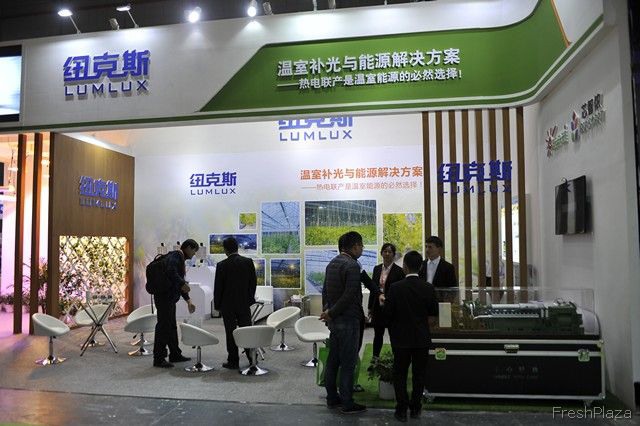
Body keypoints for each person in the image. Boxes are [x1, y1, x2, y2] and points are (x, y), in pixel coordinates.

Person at [384, 250, 438, 422]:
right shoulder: (428, 288)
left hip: (400, 339)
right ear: (421, 267)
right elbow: (432, 318)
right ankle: (416, 408)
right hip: (421, 338)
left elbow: (388, 315)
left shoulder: (395, 288)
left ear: (404, 266)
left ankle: (401, 409)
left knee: (399, 374)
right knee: (419, 374)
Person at [320, 231, 367, 414]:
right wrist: (331, 313)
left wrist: (328, 312)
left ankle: (332, 398)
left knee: (333, 360)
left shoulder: (332, 263)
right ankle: (347, 402)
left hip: (335, 321)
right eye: (361, 246)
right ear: (355, 246)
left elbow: (325, 291)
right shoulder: (352, 265)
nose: (362, 249)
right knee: (348, 363)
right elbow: (349, 296)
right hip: (348, 320)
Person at [153, 239, 198, 368]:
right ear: (188, 248)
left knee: (171, 326)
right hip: (164, 297)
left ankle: (175, 354)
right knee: (163, 326)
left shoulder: (179, 258)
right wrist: (182, 283)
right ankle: (159, 358)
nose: (194, 254)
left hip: (168, 298)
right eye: (194, 251)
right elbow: (171, 271)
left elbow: (177, 281)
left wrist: (188, 301)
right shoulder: (176, 255)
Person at [214, 237, 257, 370]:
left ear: (225, 250)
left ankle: (233, 361)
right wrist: (249, 299)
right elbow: (253, 283)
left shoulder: (221, 265)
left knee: (231, 333)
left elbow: (218, 287)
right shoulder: (248, 262)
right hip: (244, 304)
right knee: (246, 331)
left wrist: (217, 305)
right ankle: (252, 358)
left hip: (228, 306)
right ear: (237, 247)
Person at [368, 243, 405, 367]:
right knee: (378, 335)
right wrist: (370, 307)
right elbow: (373, 288)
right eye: (385, 251)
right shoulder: (377, 269)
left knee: (394, 336)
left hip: (393, 309)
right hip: (378, 307)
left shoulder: (399, 271)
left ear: (394, 255)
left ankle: (396, 361)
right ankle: (375, 359)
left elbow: (400, 292)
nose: (387, 254)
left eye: (390, 252)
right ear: (381, 253)